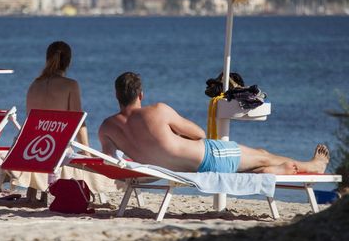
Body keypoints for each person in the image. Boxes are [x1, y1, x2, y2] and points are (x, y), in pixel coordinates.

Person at [98, 72, 330, 175]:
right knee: (262, 153)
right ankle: (312, 166)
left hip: (172, 170)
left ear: (116, 95)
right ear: (141, 94)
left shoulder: (106, 128)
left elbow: (111, 163)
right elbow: (199, 133)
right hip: (208, 158)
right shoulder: (158, 111)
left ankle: (271, 172)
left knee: (255, 160)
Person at [25, 41, 90, 204]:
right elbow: (78, 121)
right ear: (68, 61)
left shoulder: (34, 85)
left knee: (51, 144)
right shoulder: (70, 85)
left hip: (31, 149)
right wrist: (87, 151)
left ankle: (34, 187)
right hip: (56, 150)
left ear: (47, 59)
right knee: (76, 154)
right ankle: (50, 187)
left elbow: (30, 122)